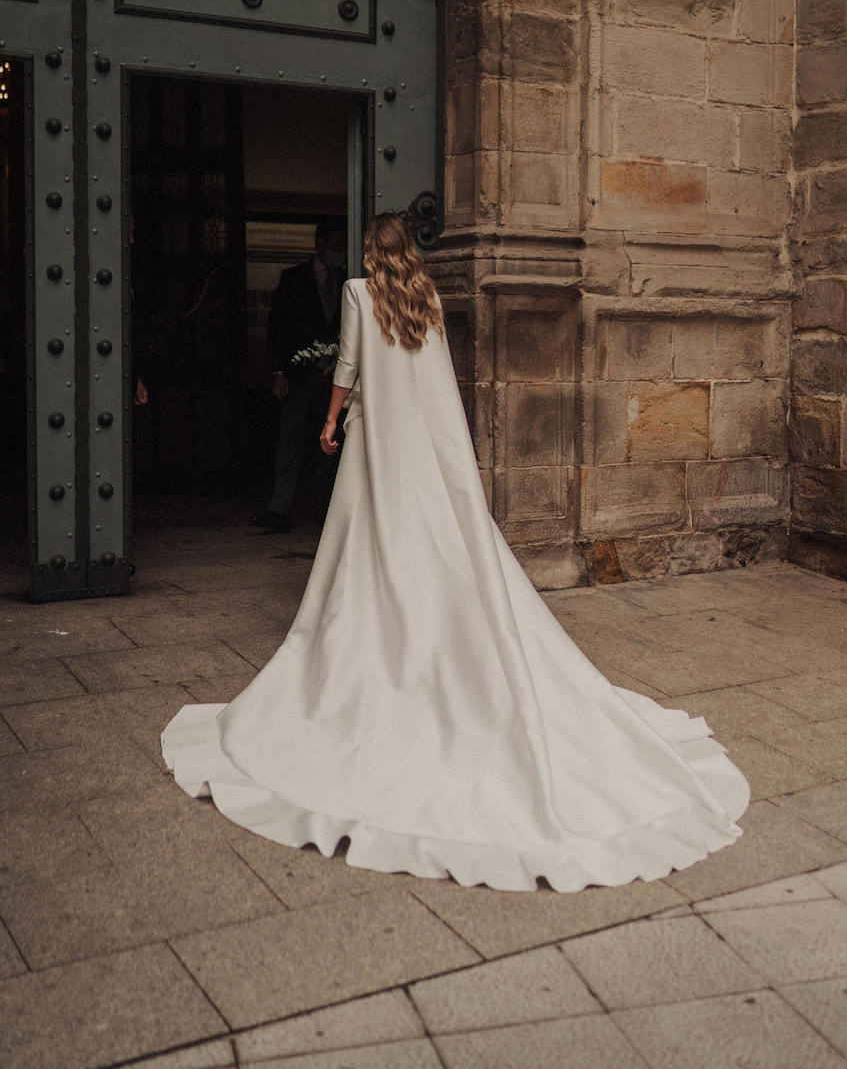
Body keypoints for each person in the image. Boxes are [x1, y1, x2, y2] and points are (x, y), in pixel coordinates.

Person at [162, 213, 750, 893]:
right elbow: (436, 383)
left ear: (367, 253)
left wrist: (329, 421)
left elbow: (349, 368)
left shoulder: (358, 293)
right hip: (420, 447)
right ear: (408, 252)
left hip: (378, 447)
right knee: (428, 538)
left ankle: (380, 635)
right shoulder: (427, 299)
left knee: (367, 541)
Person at [252, 217, 348, 532]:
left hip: (335, 377)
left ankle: (325, 512)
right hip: (298, 374)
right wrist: (278, 371)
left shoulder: (349, 280)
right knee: (290, 441)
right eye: (334, 245)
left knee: (330, 444)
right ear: (319, 244)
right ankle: (280, 510)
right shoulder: (293, 279)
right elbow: (277, 328)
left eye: (342, 246)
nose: (339, 251)